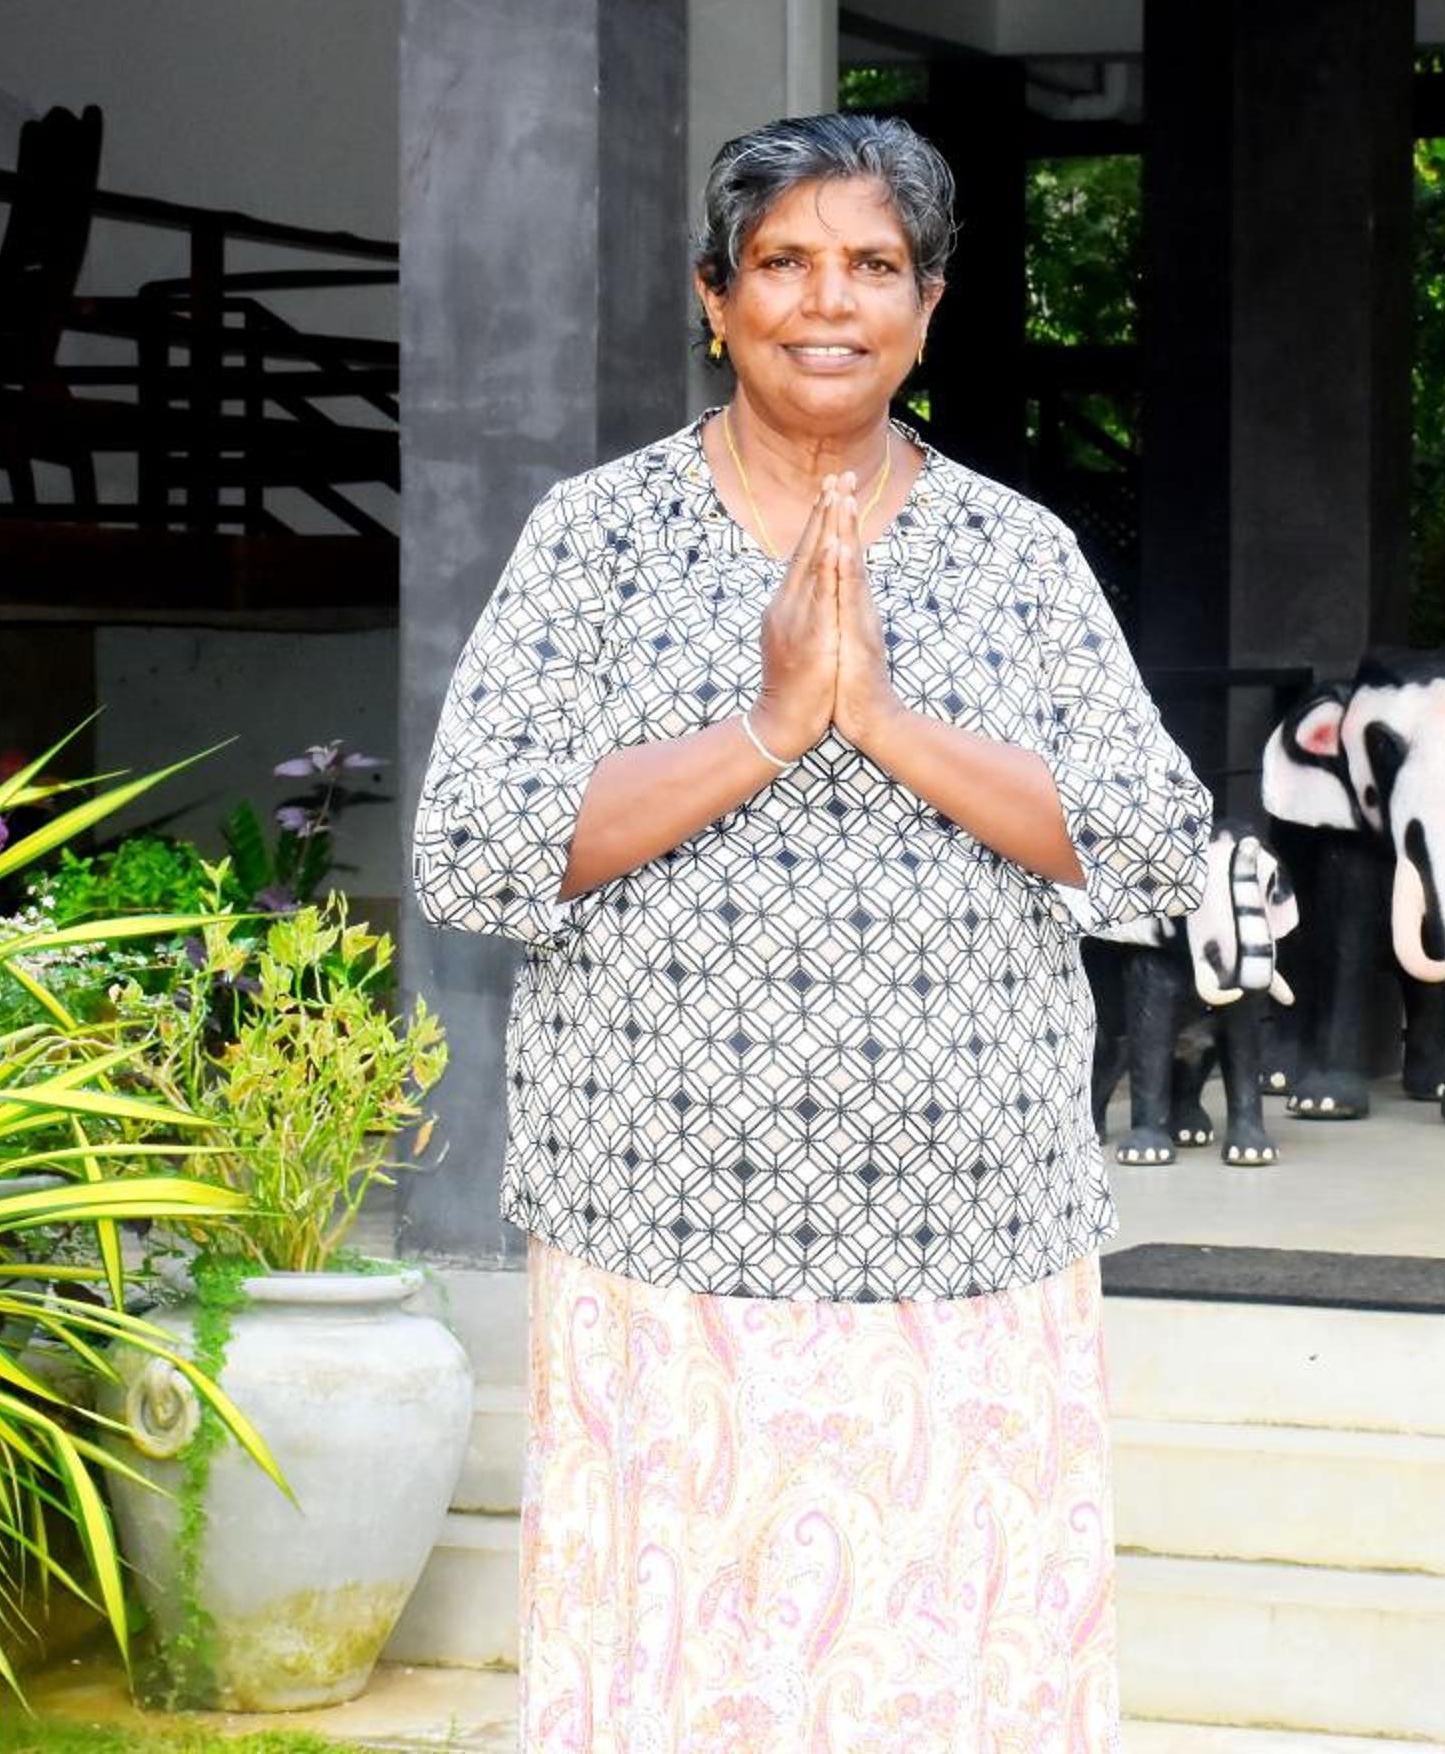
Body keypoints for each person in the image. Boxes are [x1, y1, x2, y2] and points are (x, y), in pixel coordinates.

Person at [411, 112, 1212, 1754]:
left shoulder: (1016, 555)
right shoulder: (598, 540)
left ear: (928, 307)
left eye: (873, 266)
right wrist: (770, 728)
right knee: (692, 1677)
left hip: (968, 1238)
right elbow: (473, 856)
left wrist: (887, 722)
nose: (827, 301)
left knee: (945, 1676)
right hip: (662, 1237)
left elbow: (1153, 851)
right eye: (782, 262)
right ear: (715, 300)